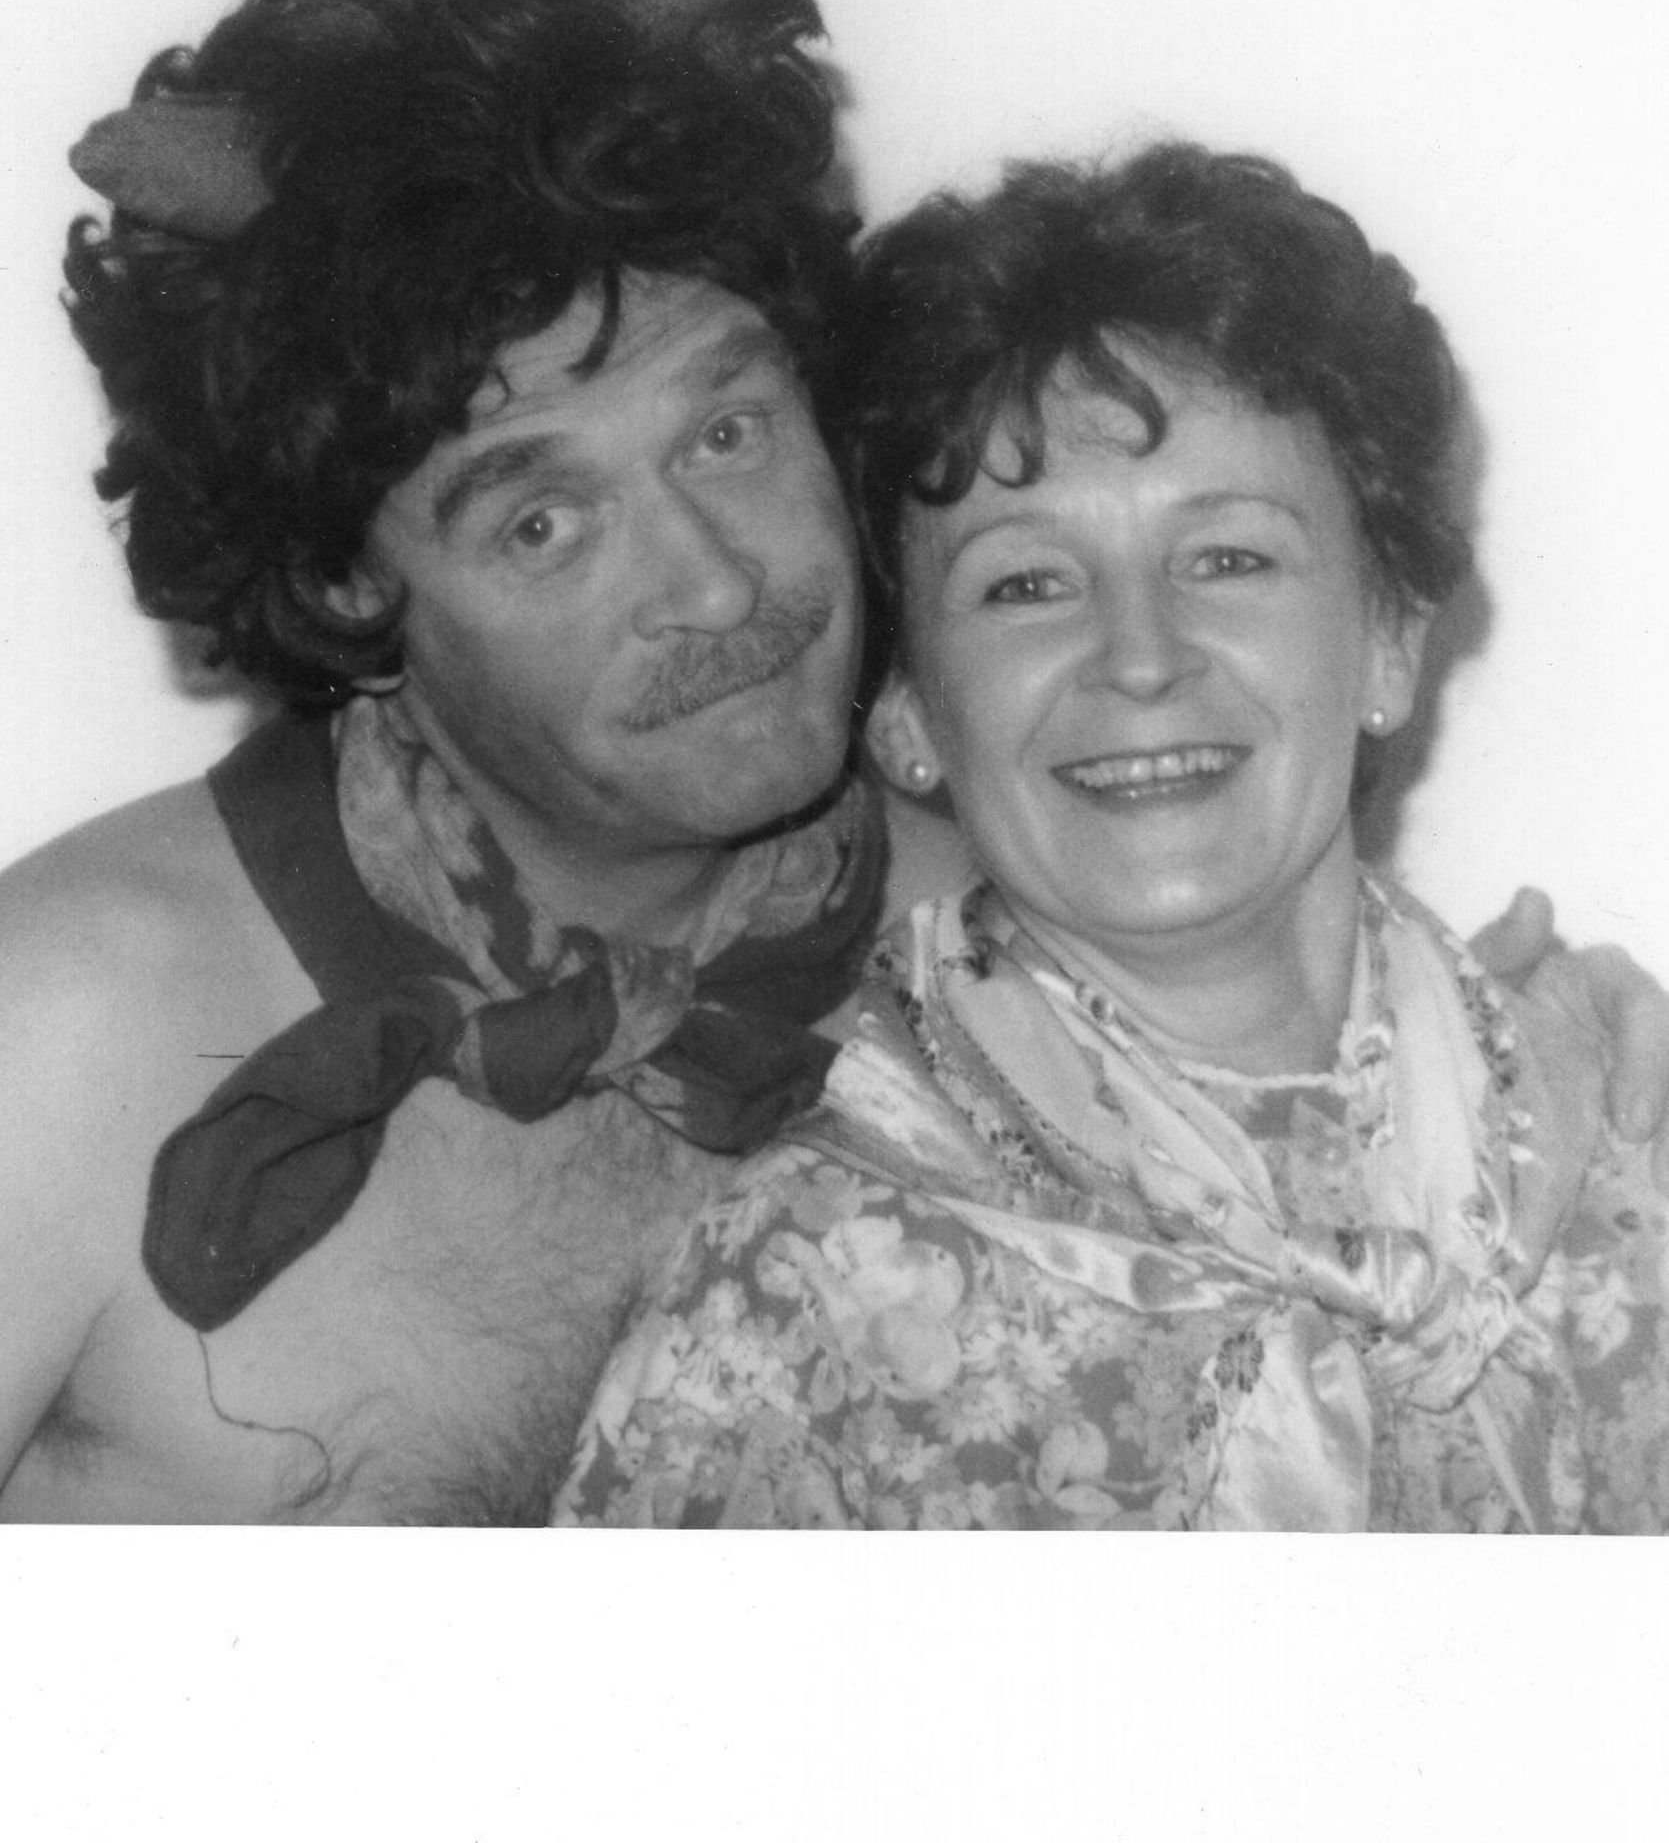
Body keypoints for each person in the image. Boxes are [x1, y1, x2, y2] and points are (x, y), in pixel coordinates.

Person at [0, 0, 1659, 1526]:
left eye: (727, 432)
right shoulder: (66, 1027)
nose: (716, 584)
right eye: (542, 520)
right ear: (344, 578)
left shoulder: (1019, 927)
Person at [555, 144, 1669, 1531]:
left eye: (1227, 559)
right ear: (907, 710)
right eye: (1026, 584)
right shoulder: (788, 1310)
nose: (1139, 657)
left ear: (1388, 638)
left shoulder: (1624, 1136)